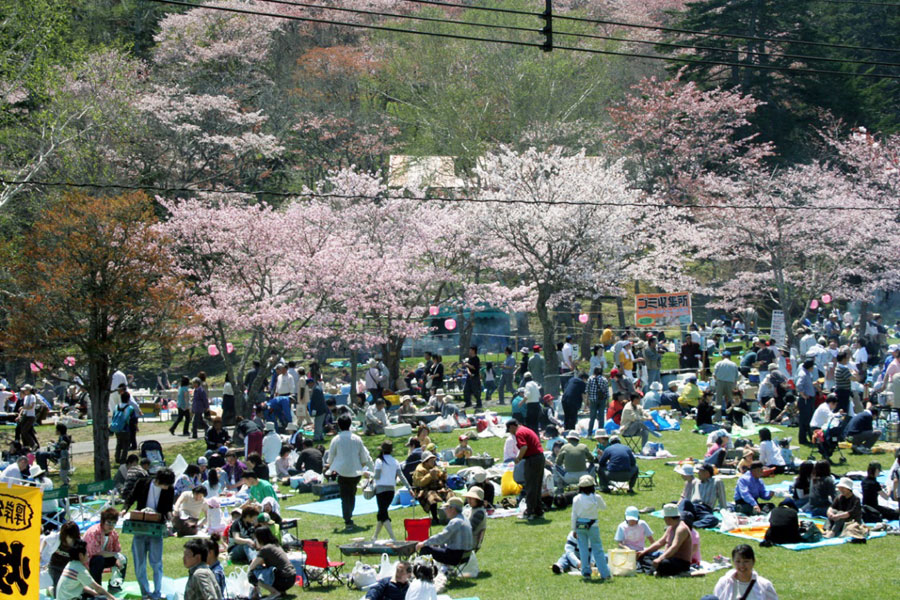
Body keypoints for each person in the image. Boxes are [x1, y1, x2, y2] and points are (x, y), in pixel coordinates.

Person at [124, 468, 175, 600]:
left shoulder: (169, 489)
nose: (167, 487)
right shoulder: (143, 483)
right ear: (158, 480)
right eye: (166, 484)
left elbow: (168, 507)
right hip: (140, 525)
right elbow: (131, 497)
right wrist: (124, 510)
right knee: (139, 562)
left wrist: (171, 517)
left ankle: (157, 592)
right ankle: (145, 592)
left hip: (157, 527)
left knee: (156, 562)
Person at [325, 414, 373, 528]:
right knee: (351, 493)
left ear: (339, 426)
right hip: (355, 471)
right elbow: (363, 457)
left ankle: (347, 517)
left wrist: (330, 466)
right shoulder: (357, 439)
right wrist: (363, 468)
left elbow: (330, 457)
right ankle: (349, 514)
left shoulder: (336, 439)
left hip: (342, 471)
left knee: (344, 495)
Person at [568, 474, 611, 581]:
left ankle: (586, 572)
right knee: (597, 549)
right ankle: (605, 573)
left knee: (583, 549)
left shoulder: (576, 498)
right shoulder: (596, 498)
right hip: (593, 526)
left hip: (580, 526)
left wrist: (573, 529)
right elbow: (604, 507)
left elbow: (574, 515)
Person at [637, 504, 693, 576]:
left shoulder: (681, 529)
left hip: (680, 561)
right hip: (668, 557)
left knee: (663, 563)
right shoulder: (671, 527)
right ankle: (654, 569)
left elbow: (674, 547)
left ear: (668, 518)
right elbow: (661, 542)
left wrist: (660, 559)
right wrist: (644, 551)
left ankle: (654, 569)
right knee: (644, 556)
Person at [415, 496, 473, 566]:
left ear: (453, 509)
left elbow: (441, 538)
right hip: (465, 556)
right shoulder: (464, 519)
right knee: (436, 545)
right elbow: (445, 538)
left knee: (425, 549)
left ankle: (422, 572)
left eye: (447, 508)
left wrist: (423, 543)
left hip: (455, 557)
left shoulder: (455, 522)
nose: (445, 510)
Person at [709, 544, 778, 600]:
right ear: (733, 562)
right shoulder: (724, 583)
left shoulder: (764, 585)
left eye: (746, 561)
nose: (742, 565)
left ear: (753, 561)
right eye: (738, 561)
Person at [372, 440, 410, 541]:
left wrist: (368, 475)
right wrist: (409, 487)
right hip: (391, 491)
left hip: (381, 490)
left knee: (383, 513)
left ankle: (393, 537)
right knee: (382, 513)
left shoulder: (379, 461)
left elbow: (377, 476)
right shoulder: (395, 461)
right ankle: (375, 536)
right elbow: (401, 476)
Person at [507, 419, 545, 520]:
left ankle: (530, 511)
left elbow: (523, 447)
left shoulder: (519, 432)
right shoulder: (525, 429)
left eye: (509, 430)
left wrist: (518, 458)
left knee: (530, 486)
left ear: (512, 427)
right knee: (537, 485)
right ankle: (538, 510)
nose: (510, 433)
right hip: (539, 458)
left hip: (532, 460)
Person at [83, 507, 127, 591]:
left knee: (123, 559)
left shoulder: (113, 533)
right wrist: (115, 555)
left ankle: (115, 584)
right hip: (88, 561)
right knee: (98, 559)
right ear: (103, 522)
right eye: (109, 522)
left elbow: (117, 549)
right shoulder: (94, 532)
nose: (111, 525)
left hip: (104, 558)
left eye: (114, 523)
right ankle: (96, 588)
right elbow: (95, 552)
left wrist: (118, 558)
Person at [247, 526, 295, 599]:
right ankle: (280, 592)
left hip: (284, 579)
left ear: (260, 538)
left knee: (252, 575)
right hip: (291, 578)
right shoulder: (276, 545)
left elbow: (252, 566)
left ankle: (274, 593)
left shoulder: (265, 549)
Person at [687, 464, 728, 528]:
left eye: (700, 471)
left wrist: (725, 514)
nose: (698, 473)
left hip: (704, 509)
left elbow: (722, 498)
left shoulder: (716, 482)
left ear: (707, 473)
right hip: (693, 506)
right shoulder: (696, 482)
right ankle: (678, 523)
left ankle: (691, 525)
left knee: (713, 520)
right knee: (684, 504)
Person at [110, 391, 135, 465]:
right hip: (126, 429)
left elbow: (113, 417)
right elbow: (133, 419)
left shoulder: (116, 407)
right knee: (125, 445)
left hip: (117, 428)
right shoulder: (130, 408)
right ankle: (123, 459)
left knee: (119, 443)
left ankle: (117, 457)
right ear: (128, 399)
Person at [713, 350, 739, 416]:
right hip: (730, 383)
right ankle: (731, 416)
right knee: (731, 400)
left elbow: (714, 375)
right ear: (730, 357)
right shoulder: (734, 364)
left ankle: (718, 417)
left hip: (720, 382)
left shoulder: (719, 363)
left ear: (723, 356)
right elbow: (736, 377)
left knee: (718, 401)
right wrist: (735, 385)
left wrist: (717, 381)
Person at [586, 367, 609, 436]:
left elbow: (587, 390)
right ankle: (601, 433)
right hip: (602, 400)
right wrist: (607, 401)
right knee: (601, 417)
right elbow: (606, 391)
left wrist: (587, 400)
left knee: (592, 417)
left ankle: (589, 433)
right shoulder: (604, 379)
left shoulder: (590, 379)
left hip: (592, 400)